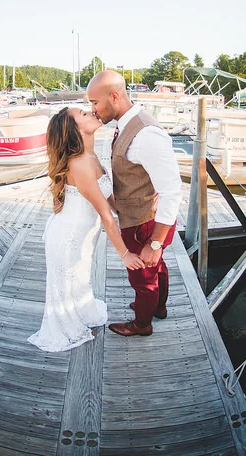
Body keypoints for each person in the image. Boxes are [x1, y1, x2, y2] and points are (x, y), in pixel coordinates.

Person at [27, 106, 144, 352]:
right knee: (65, 283)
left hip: (84, 235)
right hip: (67, 235)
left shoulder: (91, 156)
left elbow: (109, 201)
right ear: (74, 129)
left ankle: (80, 314)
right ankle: (67, 328)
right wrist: (125, 254)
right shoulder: (80, 164)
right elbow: (105, 216)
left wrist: (137, 214)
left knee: (80, 277)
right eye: (83, 114)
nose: (91, 112)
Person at [87, 70, 183, 337]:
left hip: (144, 223)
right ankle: (158, 307)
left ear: (114, 96)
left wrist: (155, 243)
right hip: (142, 217)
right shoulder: (126, 123)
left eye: (95, 102)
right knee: (156, 268)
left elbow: (172, 191)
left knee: (143, 279)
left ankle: (142, 324)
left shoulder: (146, 135)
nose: (93, 109)